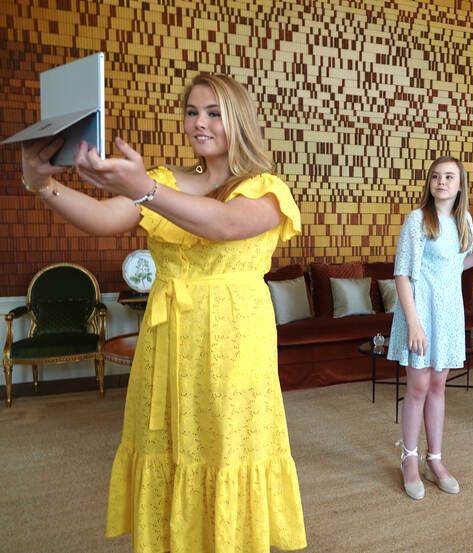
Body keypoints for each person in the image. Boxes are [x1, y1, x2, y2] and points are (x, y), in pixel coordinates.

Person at [19, 74, 307, 552]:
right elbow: (103, 218)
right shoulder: (167, 180)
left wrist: (144, 188)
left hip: (235, 343)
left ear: (239, 118)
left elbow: (223, 224)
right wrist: (42, 185)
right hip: (168, 339)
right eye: (192, 112)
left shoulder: (266, 188)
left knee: (227, 443)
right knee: (168, 442)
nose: (199, 123)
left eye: (213, 112)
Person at [387, 156, 473, 500]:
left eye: (449, 177)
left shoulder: (464, 221)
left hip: (448, 314)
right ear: (429, 183)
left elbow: (457, 265)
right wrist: (414, 323)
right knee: (418, 387)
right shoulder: (417, 220)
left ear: (460, 186)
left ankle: (435, 460)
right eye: (436, 176)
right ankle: (409, 460)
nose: (441, 181)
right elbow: (401, 274)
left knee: (439, 386)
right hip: (420, 312)